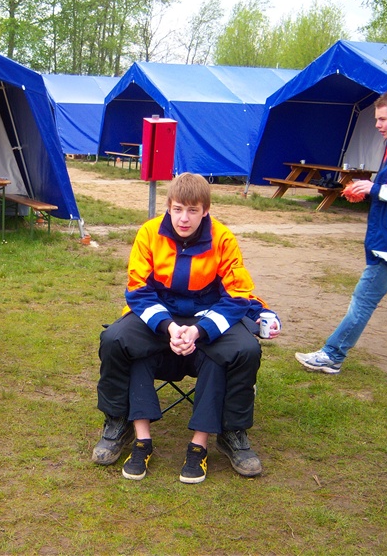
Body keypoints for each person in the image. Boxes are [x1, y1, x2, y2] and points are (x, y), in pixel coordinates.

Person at [92, 173, 280, 484]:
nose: (184, 218)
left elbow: (237, 295)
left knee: (246, 349)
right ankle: (117, 421)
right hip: (159, 316)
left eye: (193, 210)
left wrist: (199, 331)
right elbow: (138, 289)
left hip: (205, 317)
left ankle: (232, 432)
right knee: (114, 339)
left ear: (206, 211)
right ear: (168, 207)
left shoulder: (223, 238)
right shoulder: (149, 233)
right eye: (178, 209)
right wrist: (168, 327)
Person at [296, 89, 387, 381]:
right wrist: (369, 189)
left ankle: (332, 354)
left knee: (364, 298)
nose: (377, 124)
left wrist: (376, 189)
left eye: (382, 119)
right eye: (376, 119)